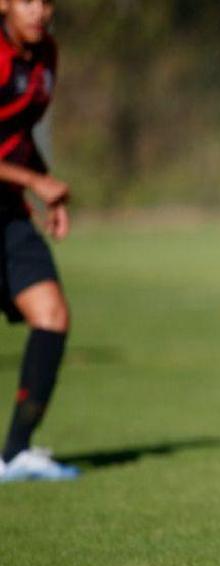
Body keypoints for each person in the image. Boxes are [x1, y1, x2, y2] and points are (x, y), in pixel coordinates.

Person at [0, 0, 78, 483]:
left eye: (48, 2)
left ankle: (14, 455)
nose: (41, 11)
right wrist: (37, 181)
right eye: (29, 0)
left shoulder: (45, 54)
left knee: (51, 317)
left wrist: (46, 188)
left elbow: (19, 131)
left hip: (8, 211)